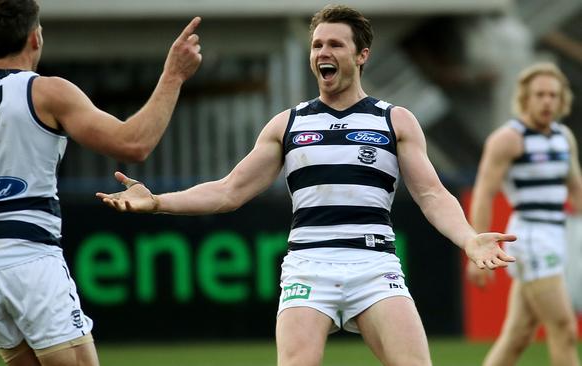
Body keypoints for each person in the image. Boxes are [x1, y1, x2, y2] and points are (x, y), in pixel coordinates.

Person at [97, 5, 515, 366]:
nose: (323, 53)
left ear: (362, 54)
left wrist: (469, 239)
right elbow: (229, 191)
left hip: (374, 266)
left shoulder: (394, 120)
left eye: (335, 44)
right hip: (309, 267)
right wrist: (155, 202)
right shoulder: (289, 124)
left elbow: (431, 194)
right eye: (317, 45)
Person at [0, 0, 202, 364]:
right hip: (29, 255)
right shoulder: (46, 92)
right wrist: (174, 75)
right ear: (35, 38)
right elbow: (133, 143)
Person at [466, 62, 581, 366]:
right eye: (540, 94)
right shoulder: (508, 139)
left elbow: (576, 189)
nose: (547, 101)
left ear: (561, 99)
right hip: (531, 237)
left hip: (555, 235)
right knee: (564, 328)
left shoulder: (563, 137)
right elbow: (484, 194)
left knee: (518, 336)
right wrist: (478, 251)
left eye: (553, 95)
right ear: (525, 98)